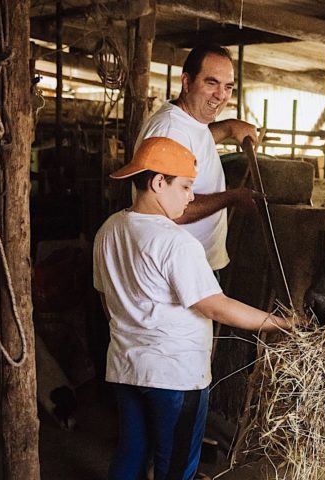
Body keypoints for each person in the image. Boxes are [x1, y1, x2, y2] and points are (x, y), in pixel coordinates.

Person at [93, 137, 292, 480]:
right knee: (176, 465)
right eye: (185, 187)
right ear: (158, 182)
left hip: (126, 367)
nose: (190, 197)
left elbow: (105, 297)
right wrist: (280, 323)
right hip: (175, 375)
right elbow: (216, 306)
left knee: (132, 452)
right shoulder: (176, 242)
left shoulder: (109, 229)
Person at [135, 43, 258, 272]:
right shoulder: (171, 129)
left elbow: (195, 144)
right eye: (211, 83)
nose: (221, 95)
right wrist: (232, 197)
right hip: (179, 267)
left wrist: (229, 127)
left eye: (228, 87)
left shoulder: (187, 121)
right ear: (186, 82)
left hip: (195, 261)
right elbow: (172, 211)